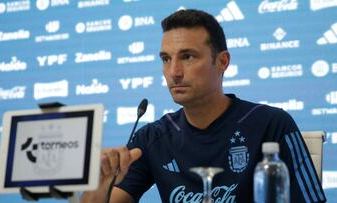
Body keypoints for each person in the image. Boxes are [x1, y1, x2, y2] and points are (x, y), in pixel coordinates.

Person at [81, 9, 326, 203]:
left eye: (188, 57)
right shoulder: (153, 137)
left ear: (222, 62)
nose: (174, 73)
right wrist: (97, 189)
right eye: (166, 59)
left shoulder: (271, 124)